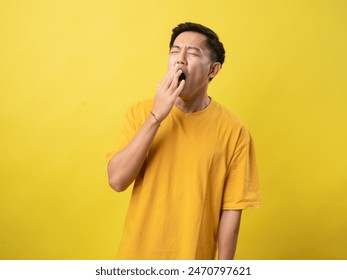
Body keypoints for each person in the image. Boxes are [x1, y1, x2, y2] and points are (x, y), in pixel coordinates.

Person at [107, 22, 261, 260]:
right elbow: (117, 180)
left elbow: (231, 211)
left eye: (192, 53)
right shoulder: (139, 113)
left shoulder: (234, 130)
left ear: (213, 70)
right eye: (175, 51)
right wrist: (156, 116)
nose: (180, 60)